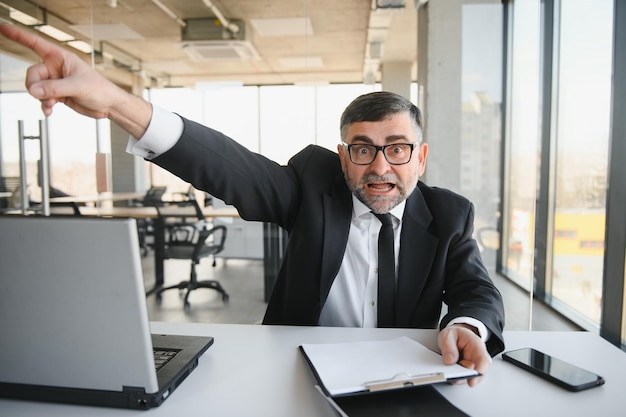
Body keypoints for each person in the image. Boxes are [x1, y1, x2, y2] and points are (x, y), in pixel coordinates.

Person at [0, 23, 505, 386]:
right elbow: (230, 167)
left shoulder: (449, 214)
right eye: (362, 148)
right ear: (342, 155)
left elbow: (477, 291)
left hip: (405, 381)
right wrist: (115, 103)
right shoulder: (313, 184)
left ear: (420, 156)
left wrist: (465, 326)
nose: (379, 167)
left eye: (396, 149)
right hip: (295, 373)